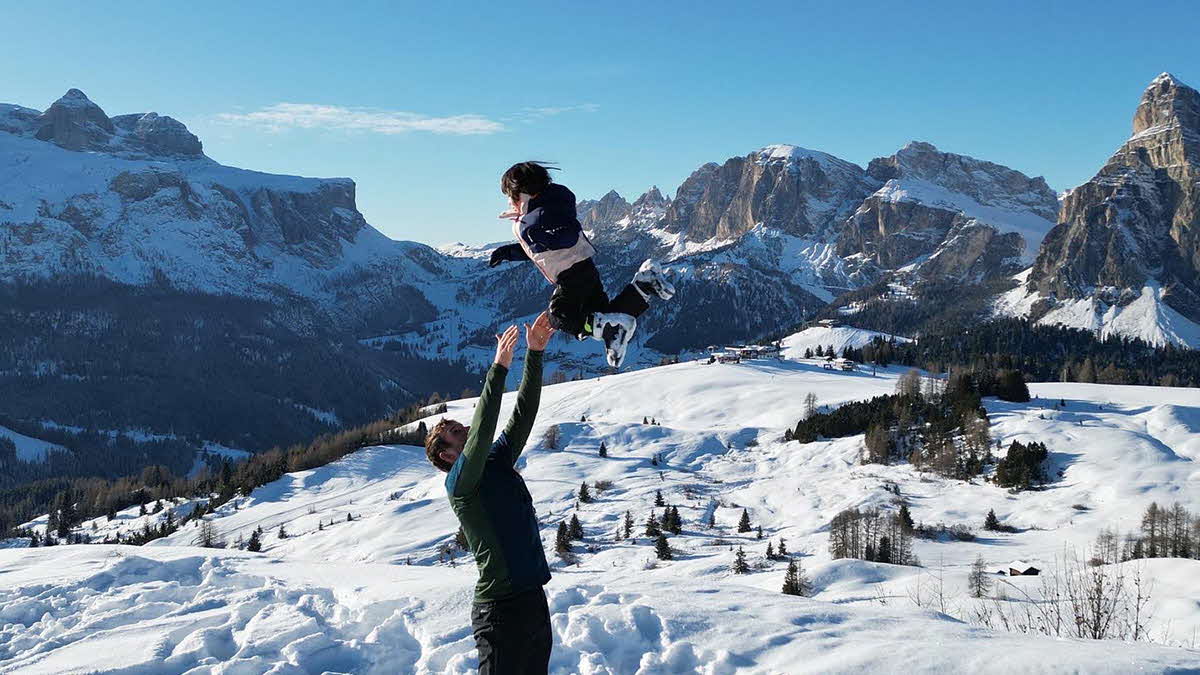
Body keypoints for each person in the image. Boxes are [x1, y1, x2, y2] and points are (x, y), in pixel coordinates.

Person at [425, 310, 556, 674]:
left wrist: (535, 354)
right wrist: (498, 368)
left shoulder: (495, 461)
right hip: (498, 610)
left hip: (532, 598)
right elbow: (483, 431)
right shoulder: (461, 483)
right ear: (447, 455)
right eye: (454, 430)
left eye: (459, 424)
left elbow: (523, 416)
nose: (463, 427)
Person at [488, 161, 675, 368]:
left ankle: (609, 330)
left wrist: (543, 237)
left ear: (524, 192)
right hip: (582, 270)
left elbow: (568, 234)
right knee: (604, 311)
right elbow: (536, 249)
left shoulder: (543, 213)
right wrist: (508, 252)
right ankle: (643, 285)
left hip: (572, 275)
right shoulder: (536, 213)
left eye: (510, 195)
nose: (509, 201)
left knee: (558, 315)